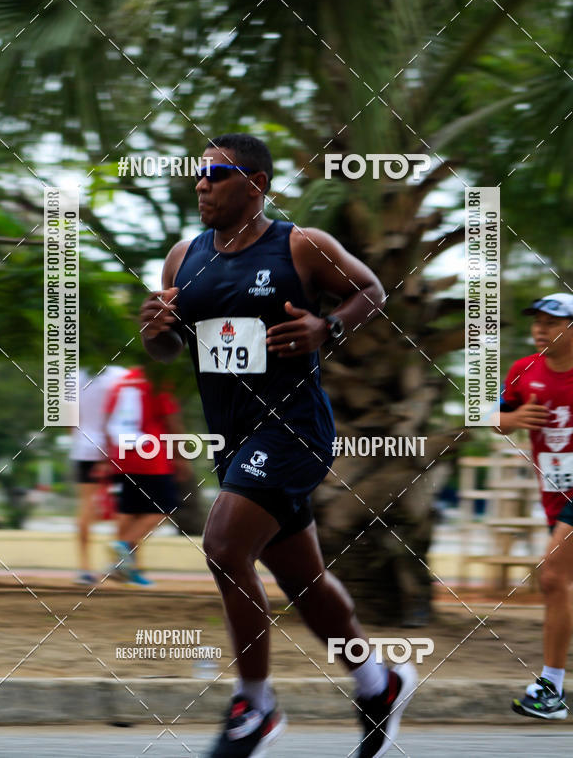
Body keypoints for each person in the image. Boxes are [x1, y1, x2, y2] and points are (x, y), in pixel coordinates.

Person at [140, 133, 417, 757]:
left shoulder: (301, 245)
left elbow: (371, 288)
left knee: (222, 546)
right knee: (305, 583)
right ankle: (380, 684)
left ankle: (255, 705)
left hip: (293, 427)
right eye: (198, 173)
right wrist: (156, 331)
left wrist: (330, 325)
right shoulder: (183, 257)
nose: (202, 182)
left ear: (256, 183)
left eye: (217, 172)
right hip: (235, 439)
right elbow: (167, 348)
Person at [496, 293, 573, 720]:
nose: (540, 328)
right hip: (554, 492)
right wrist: (513, 419)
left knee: (552, 577)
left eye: (553, 321)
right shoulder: (523, 370)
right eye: (537, 320)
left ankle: (551, 690)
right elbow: (494, 417)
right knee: (558, 584)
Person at [104, 364, 182, 587]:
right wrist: (181, 455)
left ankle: (130, 570)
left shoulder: (123, 381)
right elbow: (172, 421)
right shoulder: (158, 379)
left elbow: (107, 419)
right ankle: (123, 545)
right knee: (164, 508)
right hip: (151, 455)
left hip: (122, 454)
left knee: (131, 512)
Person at [70, 364, 125, 585]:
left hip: (83, 448)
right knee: (124, 506)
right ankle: (122, 566)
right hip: (114, 448)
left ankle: (84, 568)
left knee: (85, 505)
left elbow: (69, 420)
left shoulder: (72, 376)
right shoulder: (119, 374)